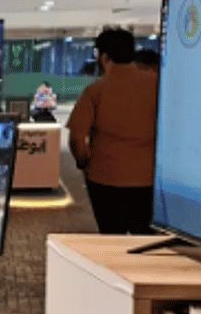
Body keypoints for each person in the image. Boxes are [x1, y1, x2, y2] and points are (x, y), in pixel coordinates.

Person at [67, 27, 159, 235]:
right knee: (144, 236)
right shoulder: (157, 86)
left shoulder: (95, 91)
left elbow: (77, 138)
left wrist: (83, 162)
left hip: (105, 178)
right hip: (147, 178)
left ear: (104, 57)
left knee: (111, 235)